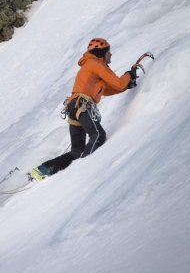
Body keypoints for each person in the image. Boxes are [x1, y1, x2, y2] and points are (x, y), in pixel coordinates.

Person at [29, 38, 137, 180]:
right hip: (81, 105)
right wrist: (130, 74)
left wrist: (127, 85)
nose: (111, 54)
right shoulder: (95, 64)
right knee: (98, 135)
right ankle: (83, 168)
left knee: (77, 151)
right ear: (101, 53)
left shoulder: (93, 68)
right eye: (108, 51)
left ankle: (42, 171)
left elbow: (111, 89)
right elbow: (118, 82)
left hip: (75, 106)